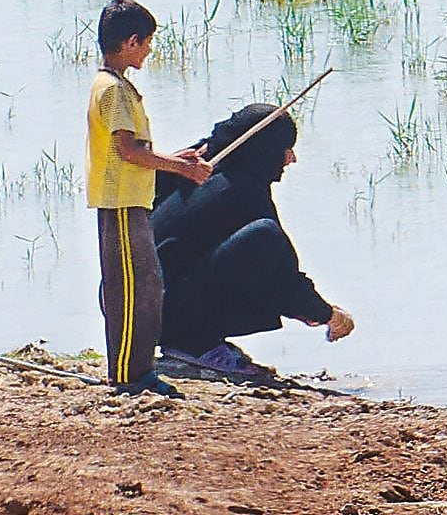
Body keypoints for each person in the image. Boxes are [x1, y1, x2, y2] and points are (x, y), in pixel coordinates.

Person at [151, 103, 355, 379]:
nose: (291, 158)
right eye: (286, 147)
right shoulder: (240, 190)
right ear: (266, 150)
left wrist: (309, 308)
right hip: (162, 315)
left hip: (141, 311)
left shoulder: (204, 174)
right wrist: (327, 315)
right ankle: (193, 344)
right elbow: (284, 273)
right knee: (266, 236)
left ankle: (195, 340)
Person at [86, 0, 208, 397]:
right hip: (120, 203)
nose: (150, 50)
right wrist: (182, 169)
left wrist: (178, 157)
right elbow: (129, 152)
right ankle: (127, 376)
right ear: (131, 41)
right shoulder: (113, 91)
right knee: (130, 289)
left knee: (149, 285)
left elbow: (136, 149)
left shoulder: (119, 87)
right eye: (147, 42)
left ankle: (141, 371)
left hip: (133, 201)